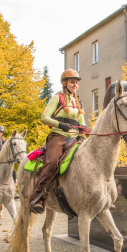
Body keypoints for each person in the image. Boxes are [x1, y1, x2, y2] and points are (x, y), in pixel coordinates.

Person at [29, 69, 87, 214]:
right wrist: (60, 124)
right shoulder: (57, 98)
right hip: (58, 137)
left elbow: (81, 122)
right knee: (53, 162)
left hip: (74, 139)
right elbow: (44, 117)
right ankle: (38, 198)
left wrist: (84, 129)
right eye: (72, 82)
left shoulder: (77, 102)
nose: (75, 85)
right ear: (65, 83)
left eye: (76, 82)